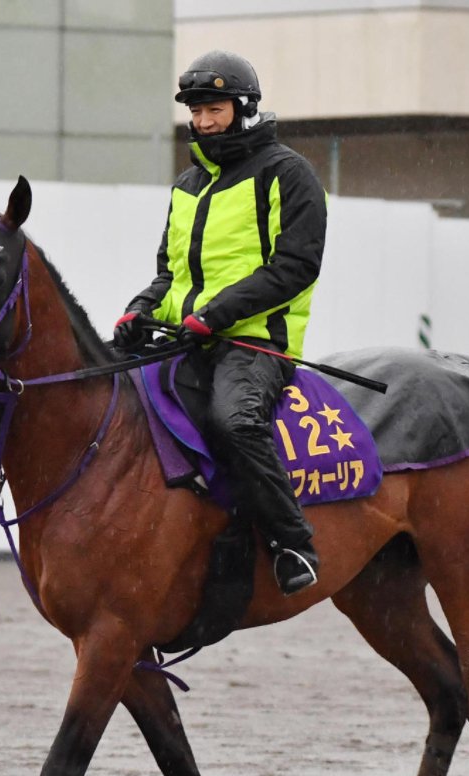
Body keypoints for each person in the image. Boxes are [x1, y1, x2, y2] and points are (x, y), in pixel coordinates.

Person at [114, 50, 327, 596]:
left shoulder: (289, 174)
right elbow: (172, 275)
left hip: (257, 344)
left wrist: (215, 316)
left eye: (215, 109)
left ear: (245, 108)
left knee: (233, 421)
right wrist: (140, 309)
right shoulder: (186, 186)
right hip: (194, 337)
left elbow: (295, 267)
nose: (204, 122)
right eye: (196, 111)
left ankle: (292, 543)